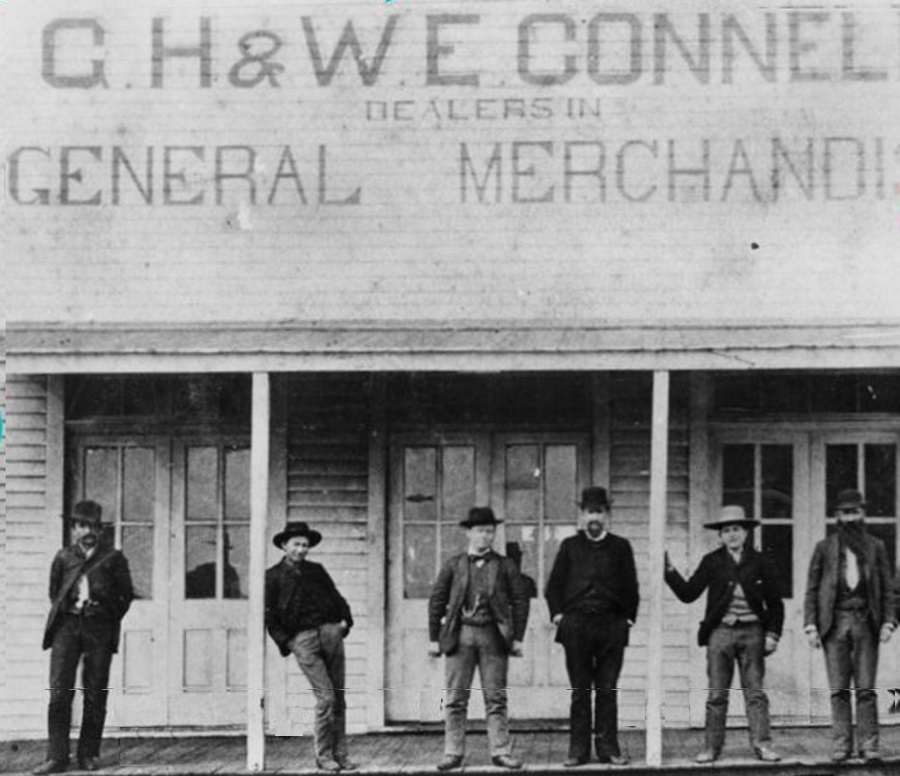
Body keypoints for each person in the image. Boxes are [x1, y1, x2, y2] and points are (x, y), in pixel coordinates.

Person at [664, 505, 783, 764]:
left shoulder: (761, 561)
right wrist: (669, 571)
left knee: (755, 693)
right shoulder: (712, 561)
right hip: (720, 633)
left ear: (746, 532)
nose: (732, 535)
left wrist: (773, 635)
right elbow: (689, 593)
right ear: (720, 535)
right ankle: (711, 748)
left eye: (736, 529)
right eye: (726, 530)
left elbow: (775, 603)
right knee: (717, 694)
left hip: (753, 632)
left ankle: (763, 745)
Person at [34, 501, 134, 774]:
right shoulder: (63, 557)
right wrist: (73, 610)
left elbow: (125, 596)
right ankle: (57, 757)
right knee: (59, 692)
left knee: (95, 692)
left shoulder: (113, 558)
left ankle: (89, 754)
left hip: (98, 627)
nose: (87, 531)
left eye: (92, 526)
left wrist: (103, 614)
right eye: (82, 526)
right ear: (74, 529)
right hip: (67, 627)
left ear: (100, 529)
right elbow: (55, 593)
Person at [428, 507, 530, 771]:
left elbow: (521, 601)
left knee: (496, 697)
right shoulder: (454, 564)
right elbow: (437, 600)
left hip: (493, 637)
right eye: (480, 531)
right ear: (468, 533)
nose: (485, 536)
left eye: (489, 531)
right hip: (460, 635)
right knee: (455, 698)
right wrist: (433, 639)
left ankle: (501, 751)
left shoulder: (505, 565)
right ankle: (452, 752)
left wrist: (518, 637)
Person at [545, 487, 639, 767]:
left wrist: (627, 619)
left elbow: (631, 586)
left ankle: (609, 748)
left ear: (607, 515)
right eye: (589, 512)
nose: (594, 517)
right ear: (582, 515)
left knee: (607, 689)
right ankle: (578, 750)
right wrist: (559, 616)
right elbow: (554, 587)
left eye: (599, 511)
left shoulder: (620, 547)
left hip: (611, 626)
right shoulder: (569, 546)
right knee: (580, 690)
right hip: (577, 625)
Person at [804, 488, 896, 763]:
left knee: (866, 688)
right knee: (839, 689)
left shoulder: (876, 546)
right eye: (845, 513)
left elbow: (888, 588)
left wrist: (889, 621)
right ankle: (841, 745)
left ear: (862, 514)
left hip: (866, 622)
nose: (851, 517)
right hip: (835, 624)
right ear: (837, 516)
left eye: (855, 512)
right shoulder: (825, 548)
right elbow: (812, 588)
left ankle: (869, 746)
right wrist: (811, 624)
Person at [265, 521, 357, 772]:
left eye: (305, 545)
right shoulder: (272, 577)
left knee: (338, 697)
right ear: (284, 546)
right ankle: (324, 756)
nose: (301, 550)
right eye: (296, 544)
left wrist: (344, 622)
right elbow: (270, 617)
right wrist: (288, 642)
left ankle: (341, 755)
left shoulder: (316, 571)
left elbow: (336, 597)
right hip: (303, 641)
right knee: (326, 697)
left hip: (330, 634)